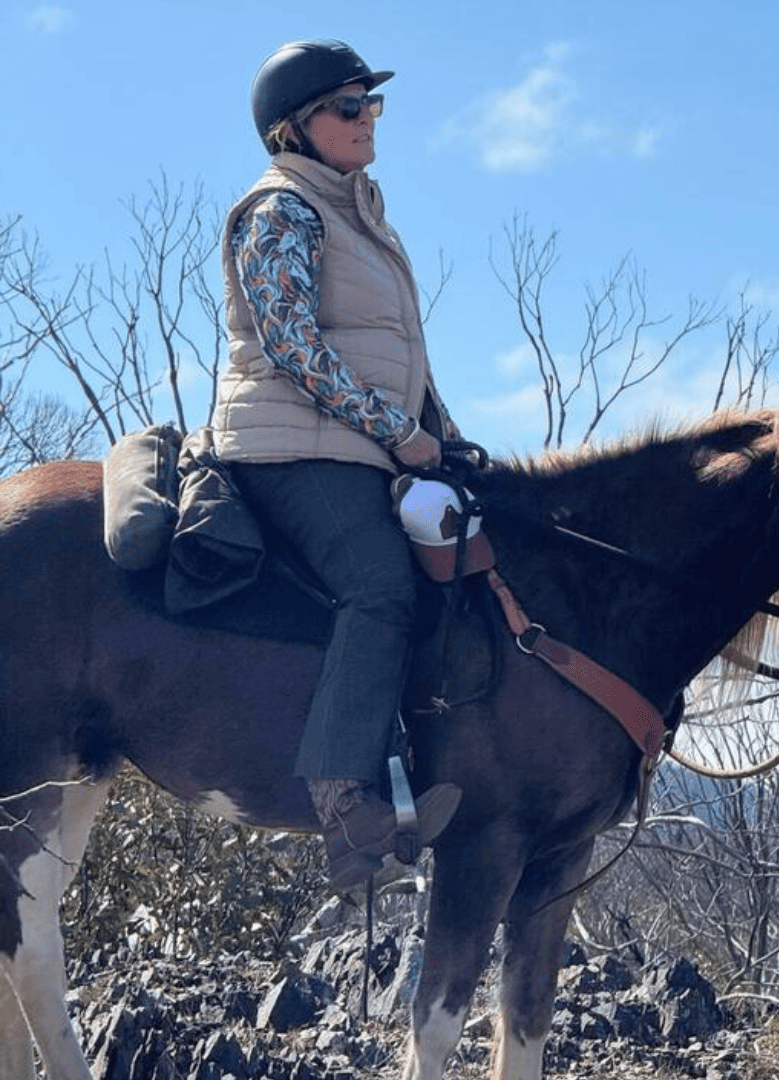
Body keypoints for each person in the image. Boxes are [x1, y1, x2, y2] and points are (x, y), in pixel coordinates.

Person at [213, 39, 461, 893]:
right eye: (348, 107)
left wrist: (447, 436)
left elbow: (403, 355)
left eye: (373, 104)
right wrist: (399, 431)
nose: (367, 120)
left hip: (354, 441)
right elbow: (291, 345)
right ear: (295, 130)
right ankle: (346, 806)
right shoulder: (281, 209)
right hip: (286, 445)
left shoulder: (361, 214)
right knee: (380, 585)